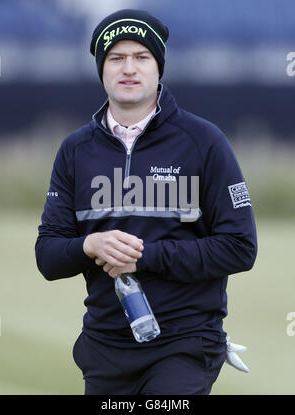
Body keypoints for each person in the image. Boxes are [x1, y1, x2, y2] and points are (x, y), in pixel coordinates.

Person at [35, 9, 257, 395]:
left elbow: (240, 248)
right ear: (102, 70)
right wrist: (89, 245)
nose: (129, 69)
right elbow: (48, 256)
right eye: (116, 58)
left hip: (184, 344)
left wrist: (146, 257)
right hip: (104, 347)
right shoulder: (74, 151)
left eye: (142, 57)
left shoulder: (204, 141)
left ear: (159, 68)